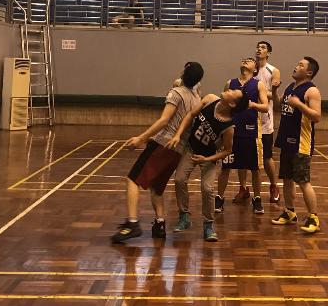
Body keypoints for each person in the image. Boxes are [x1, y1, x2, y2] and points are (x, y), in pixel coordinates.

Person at [111, 62, 203, 244]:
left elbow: (163, 120)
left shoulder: (176, 93)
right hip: (178, 151)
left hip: (163, 144)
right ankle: (160, 224)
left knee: (132, 180)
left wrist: (141, 138)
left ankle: (132, 224)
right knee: (157, 188)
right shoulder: (197, 99)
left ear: (184, 74)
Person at [168, 88, 248, 242]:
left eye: (232, 91)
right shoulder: (210, 98)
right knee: (179, 179)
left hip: (209, 158)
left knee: (207, 188)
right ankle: (184, 216)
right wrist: (178, 135)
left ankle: (208, 225)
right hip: (191, 149)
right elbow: (190, 115)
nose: (228, 89)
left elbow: (228, 150)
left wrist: (206, 159)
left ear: (232, 104)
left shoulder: (229, 127)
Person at [271, 57, 322, 234]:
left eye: (301, 65)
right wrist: (274, 90)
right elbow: (278, 108)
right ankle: (290, 212)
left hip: (301, 143)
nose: (296, 66)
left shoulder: (312, 90)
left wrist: (299, 104)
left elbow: (317, 116)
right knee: (287, 178)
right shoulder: (290, 88)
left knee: (303, 181)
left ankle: (313, 217)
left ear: (309, 72)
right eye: (297, 63)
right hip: (286, 141)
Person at [215, 57, 269, 215]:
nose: (245, 61)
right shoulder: (230, 83)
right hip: (231, 131)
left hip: (250, 132)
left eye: (250, 60)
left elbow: (265, 107)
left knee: (255, 169)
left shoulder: (258, 84)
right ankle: (219, 198)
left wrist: (252, 104)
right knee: (225, 168)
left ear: (255, 69)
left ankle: (257, 199)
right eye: (244, 60)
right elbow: (222, 104)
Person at [255, 40, 282, 204]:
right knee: (246, 157)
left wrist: (259, 92)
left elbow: (274, 95)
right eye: (258, 47)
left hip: (265, 120)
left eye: (263, 47)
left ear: (268, 53)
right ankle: (243, 188)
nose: (259, 49)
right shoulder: (250, 69)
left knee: (267, 157)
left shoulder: (273, 70)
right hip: (249, 116)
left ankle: (274, 185)